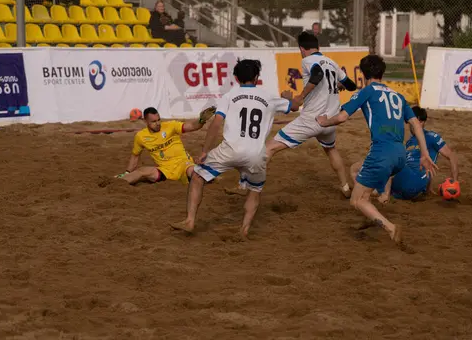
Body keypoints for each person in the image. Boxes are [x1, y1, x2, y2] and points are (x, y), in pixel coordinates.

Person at [170, 59, 301, 239]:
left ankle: (190, 221)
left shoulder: (229, 96)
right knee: (255, 190)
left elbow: (216, 123)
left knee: (198, 176)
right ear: (256, 77)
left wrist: (204, 150)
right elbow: (294, 106)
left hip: (230, 150)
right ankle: (244, 230)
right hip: (256, 153)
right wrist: (287, 98)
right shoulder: (269, 97)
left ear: (236, 78)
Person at [316, 55, 438, 245]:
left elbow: (341, 118)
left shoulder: (367, 91)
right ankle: (370, 213)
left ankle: (390, 228)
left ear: (363, 74)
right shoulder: (398, 96)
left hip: (382, 153)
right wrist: (425, 154)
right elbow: (415, 124)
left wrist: (324, 121)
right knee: (357, 169)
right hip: (400, 155)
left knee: (356, 200)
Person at [265, 31, 357, 197]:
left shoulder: (307, 60)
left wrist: (299, 97)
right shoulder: (332, 62)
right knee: (331, 149)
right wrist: (337, 84)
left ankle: (247, 186)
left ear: (301, 48)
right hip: (329, 121)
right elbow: (351, 86)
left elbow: (318, 74)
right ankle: (345, 187)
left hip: (311, 120)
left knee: (269, 148)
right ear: (318, 47)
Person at [362, 106, 458, 202]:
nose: (410, 125)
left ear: (421, 122)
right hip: (406, 185)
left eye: (412, 122)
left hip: (414, 180)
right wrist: (428, 189)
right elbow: (428, 165)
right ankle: (374, 192)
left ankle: (384, 195)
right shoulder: (409, 142)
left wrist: (455, 182)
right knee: (367, 175)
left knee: (389, 159)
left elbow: (451, 156)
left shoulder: (431, 136)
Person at [116, 106, 216, 185]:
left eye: (159, 120)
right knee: (141, 171)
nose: (158, 123)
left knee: (195, 172)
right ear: (145, 121)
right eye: (154, 121)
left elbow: (192, 126)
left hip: (184, 165)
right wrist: (127, 172)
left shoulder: (171, 126)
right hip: (165, 170)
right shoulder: (141, 136)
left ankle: (209, 175)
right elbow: (135, 156)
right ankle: (118, 183)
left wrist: (201, 120)